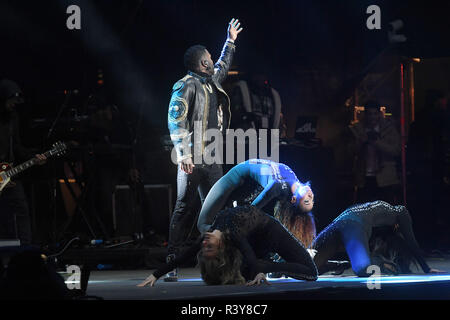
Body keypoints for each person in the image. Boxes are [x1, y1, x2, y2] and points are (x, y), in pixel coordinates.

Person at [166, 18, 243, 281]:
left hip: (212, 158)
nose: (212, 59)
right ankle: (171, 262)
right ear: (202, 63)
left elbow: (223, 64)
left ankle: (219, 261)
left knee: (215, 211)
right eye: (209, 56)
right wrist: (184, 154)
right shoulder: (185, 85)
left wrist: (230, 41)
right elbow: (175, 120)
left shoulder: (211, 81)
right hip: (192, 159)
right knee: (184, 209)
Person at [137, 205, 318, 287]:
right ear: (221, 247)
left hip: (270, 230)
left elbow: (183, 257)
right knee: (311, 273)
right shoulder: (233, 234)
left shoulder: (206, 237)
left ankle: (267, 265)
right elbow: (247, 252)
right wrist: (259, 271)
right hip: (259, 241)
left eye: (205, 246)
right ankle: (268, 266)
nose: (205, 243)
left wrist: (155, 275)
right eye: (210, 247)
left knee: (250, 268)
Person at [197, 159, 316, 248]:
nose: (310, 196)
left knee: (203, 225)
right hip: (238, 185)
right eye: (312, 200)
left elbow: (250, 210)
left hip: (233, 182)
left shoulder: (277, 186)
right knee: (208, 225)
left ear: (294, 199)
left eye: (306, 201)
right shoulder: (293, 178)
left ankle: (224, 252)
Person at [311, 200, 444, 277]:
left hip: (338, 222)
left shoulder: (379, 214)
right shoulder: (401, 212)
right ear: (398, 226)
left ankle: (339, 265)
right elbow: (411, 241)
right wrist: (426, 268)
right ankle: (343, 264)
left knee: (310, 268)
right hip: (350, 222)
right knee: (364, 269)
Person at [0, 79, 47, 245]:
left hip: (9, 174)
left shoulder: (13, 118)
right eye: (11, 100)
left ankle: (25, 251)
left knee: (21, 210)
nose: (14, 104)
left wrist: (34, 157)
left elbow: (17, 147)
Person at [348, 100, 401, 204]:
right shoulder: (358, 130)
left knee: (385, 210)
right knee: (364, 211)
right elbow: (349, 151)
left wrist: (377, 142)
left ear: (379, 114)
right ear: (365, 115)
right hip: (364, 178)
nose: (372, 117)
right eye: (369, 114)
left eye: (375, 114)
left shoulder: (388, 130)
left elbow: (396, 150)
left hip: (385, 177)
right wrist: (361, 142)